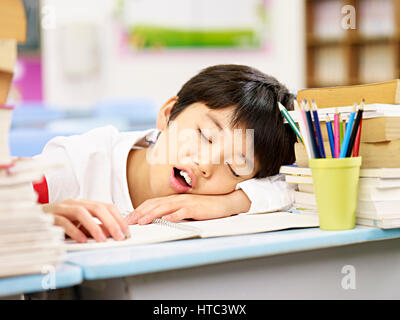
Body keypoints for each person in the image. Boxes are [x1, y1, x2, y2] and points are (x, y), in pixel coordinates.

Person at [36, 64, 297, 243]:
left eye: (234, 167)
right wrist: (33, 218)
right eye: (205, 135)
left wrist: (228, 203)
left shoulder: (227, 198)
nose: (205, 164)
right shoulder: (77, 162)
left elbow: (307, 185)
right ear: (168, 113)